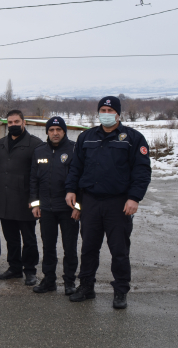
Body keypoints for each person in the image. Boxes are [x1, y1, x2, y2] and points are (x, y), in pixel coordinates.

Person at [66, 96, 151, 309]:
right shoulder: (86, 137)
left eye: (109, 110)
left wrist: (134, 198)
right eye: (102, 109)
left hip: (118, 203)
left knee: (119, 250)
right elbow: (75, 168)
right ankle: (86, 287)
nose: (105, 113)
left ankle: (120, 291)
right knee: (88, 248)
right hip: (91, 201)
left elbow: (141, 171)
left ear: (118, 113)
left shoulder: (132, 138)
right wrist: (71, 191)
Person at [0, 110, 43, 286]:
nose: (13, 125)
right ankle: (14, 268)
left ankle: (30, 270)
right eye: (10, 122)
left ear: (23, 122)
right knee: (10, 238)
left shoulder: (35, 144)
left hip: (25, 200)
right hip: (4, 199)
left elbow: (38, 176)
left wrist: (35, 201)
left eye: (16, 122)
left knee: (28, 239)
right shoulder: (1, 144)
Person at [30, 116, 80, 295]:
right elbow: (33, 181)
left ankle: (69, 282)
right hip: (46, 210)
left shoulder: (75, 149)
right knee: (48, 247)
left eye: (58, 130)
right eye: (51, 130)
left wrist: (78, 207)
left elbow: (82, 181)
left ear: (64, 131)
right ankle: (49, 280)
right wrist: (35, 205)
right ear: (47, 132)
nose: (55, 133)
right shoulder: (39, 151)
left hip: (68, 210)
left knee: (70, 248)